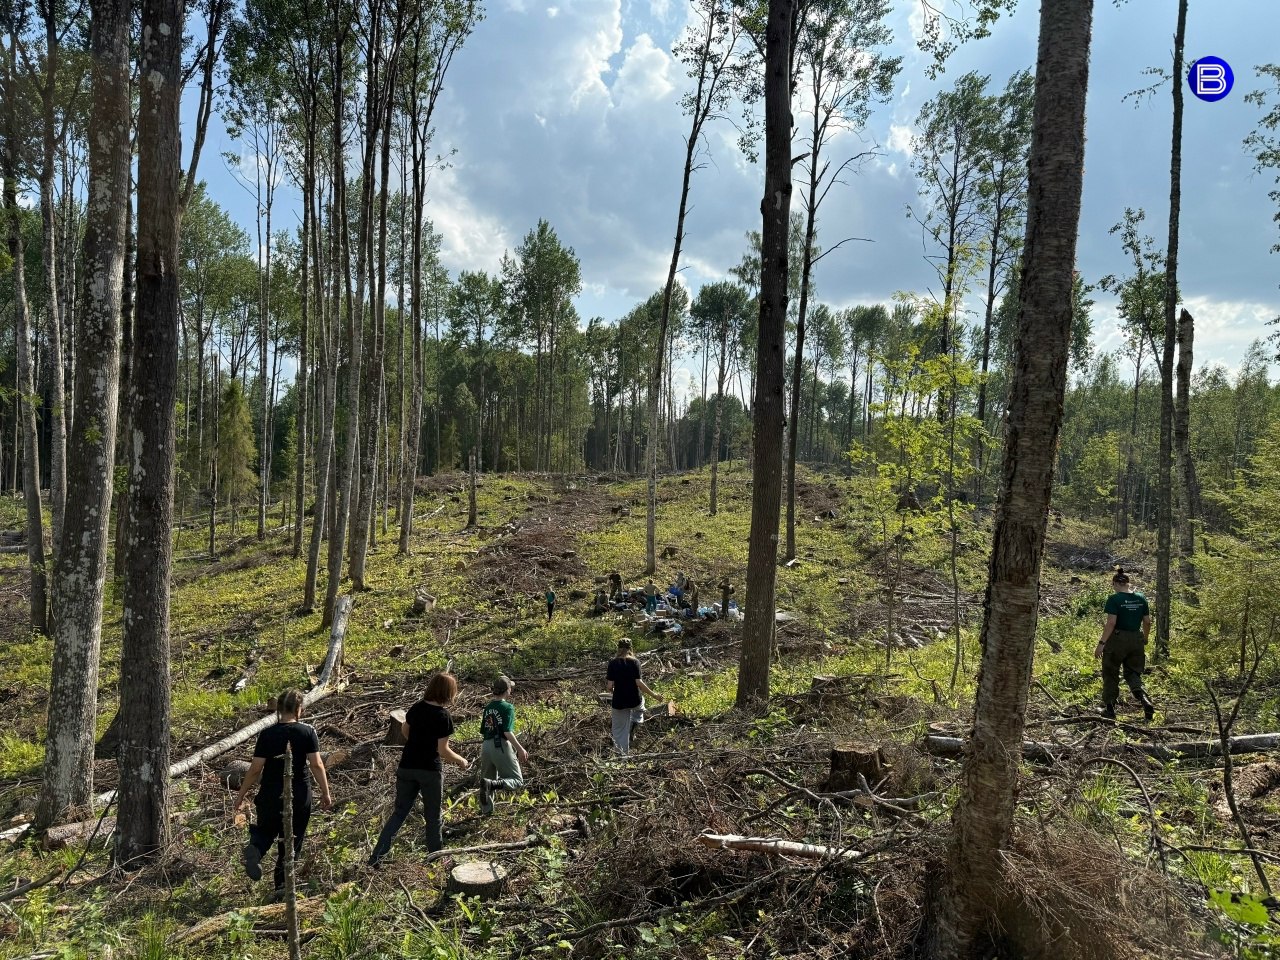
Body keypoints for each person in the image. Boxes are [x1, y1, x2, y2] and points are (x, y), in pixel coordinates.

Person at [234, 688, 333, 894]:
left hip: (269, 793)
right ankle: (282, 886)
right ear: (299, 709)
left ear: (279, 710)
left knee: (266, 830)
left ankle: (257, 849)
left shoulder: (267, 734)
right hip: (299, 794)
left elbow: (255, 769)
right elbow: (316, 764)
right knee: (292, 840)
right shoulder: (307, 732)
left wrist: (241, 793)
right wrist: (325, 792)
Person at [369, 672, 470, 865]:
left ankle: (376, 857)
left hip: (407, 766)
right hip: (430, 771)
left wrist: (417, 743)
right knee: (433, 817)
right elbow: (442, 750)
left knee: (399, 813)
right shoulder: (443, 716)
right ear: (449, 693)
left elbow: (405, 730)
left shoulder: (416, 708)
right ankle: (436, 859)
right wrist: (460, 760)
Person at [1094, 567, 1156, 722]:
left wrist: (1102, 643)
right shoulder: (1141, 598)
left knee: (1110, 672)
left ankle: (1109, 709)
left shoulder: (1114, 599)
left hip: (1117, 639)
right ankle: (1145, 701)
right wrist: (1145, 638)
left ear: (1115, 583)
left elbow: (1111, 623)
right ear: (1128, 583)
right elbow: (1147, 622)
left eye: (1113, 584)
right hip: (1136, 639)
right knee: (1133, 673)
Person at [477, 676, 529, 815]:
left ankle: (486, 813)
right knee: (517, 780)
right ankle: (493, 784)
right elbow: (507, 731)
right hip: (500, 745)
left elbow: (484, 730)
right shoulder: (507, 707)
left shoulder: (488, 708)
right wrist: (520, 748)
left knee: (486, 780)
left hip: (486, 746)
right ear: (507, 690)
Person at [605, 639, 658, 756]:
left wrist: (614, 691)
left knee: (619, 730)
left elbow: (609, 686)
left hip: (619, 701)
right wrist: (654, 695)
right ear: (630, 648)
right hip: (634, 700)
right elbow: (639, 683)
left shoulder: (613, 663)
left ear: (618, 648)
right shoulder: (635, 662)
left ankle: (622, 756)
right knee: (641, 703)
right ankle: (635, 721)